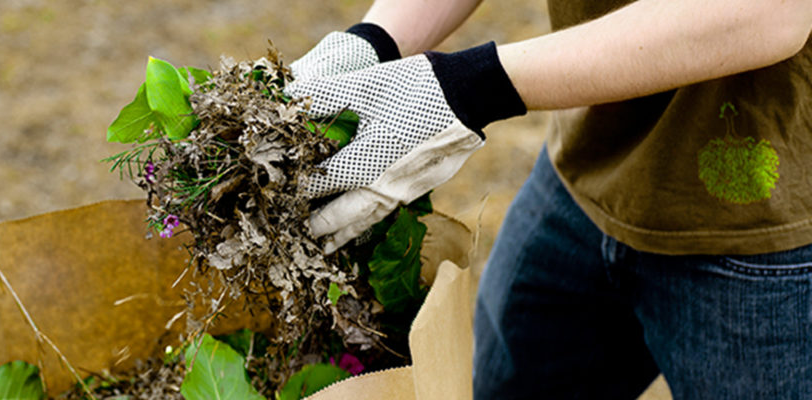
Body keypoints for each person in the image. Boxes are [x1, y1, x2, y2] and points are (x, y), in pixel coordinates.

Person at [284, 0, 812, 398]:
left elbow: (772, 11)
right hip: (585, 170)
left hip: (767, 237)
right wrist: (374, 39)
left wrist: (471, 86)